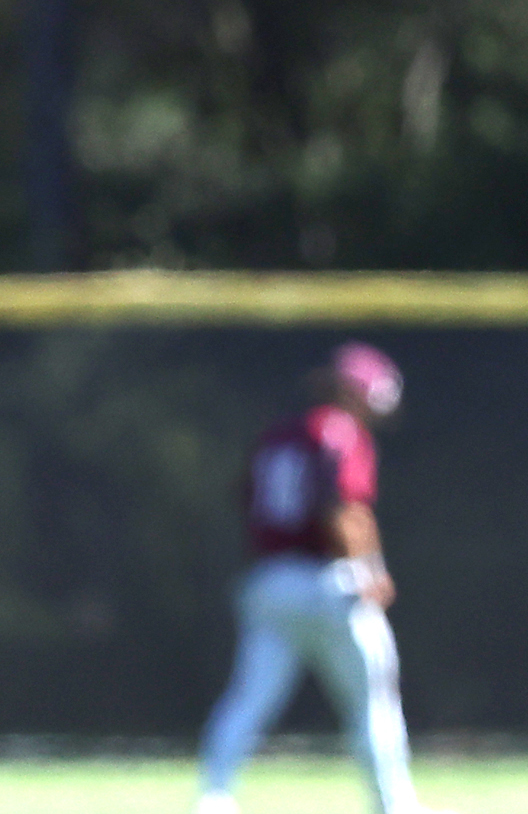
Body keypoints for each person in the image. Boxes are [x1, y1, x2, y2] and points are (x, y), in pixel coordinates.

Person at [196, 342, 441, 814]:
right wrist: (370, 567)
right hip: (331, 581)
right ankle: (395, 806)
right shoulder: (342, 432)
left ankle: (214, 797)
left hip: (271, 580)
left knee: (247, 701)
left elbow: (246, 499)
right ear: (352, 392)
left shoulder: (278, 434)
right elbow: (343, 506)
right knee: (374, 703)